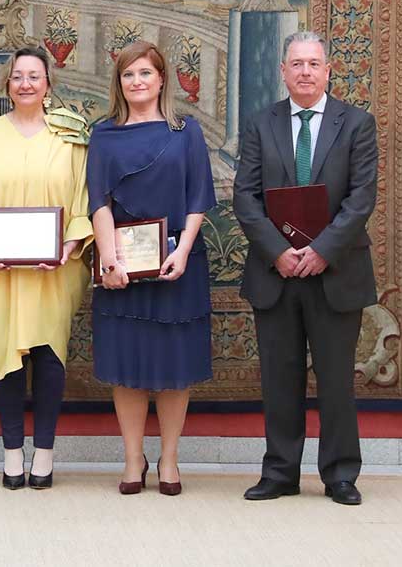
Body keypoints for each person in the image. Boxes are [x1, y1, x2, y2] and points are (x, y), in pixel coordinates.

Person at [233, 31, 377, 506]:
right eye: (296, 64)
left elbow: (361, 200)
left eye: (314, 64)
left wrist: (322, 251)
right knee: (280, 378)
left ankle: (339, 474)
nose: (305, 72)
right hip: (276, 273)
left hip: (336, 273)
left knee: (336, 380)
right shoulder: (260, 123)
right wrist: (279, 252)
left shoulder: (357, 123)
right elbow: (245, 197)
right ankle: (279, 472)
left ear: (328, 69)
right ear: (283, 71)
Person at [0, 47, 92, 489]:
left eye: (35, 76)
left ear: (49, 82)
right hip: (4, 273)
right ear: (7, 84)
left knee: (50, 361)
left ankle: (45, 455)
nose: (26, 84)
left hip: (56, 273)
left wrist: (70, 243)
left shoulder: (70, 138)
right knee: (7, 362)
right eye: (18, 77)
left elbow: (85, 203)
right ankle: (12, 453)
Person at [86, 40, 216, 497]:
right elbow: (97, 202)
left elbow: (200, 196)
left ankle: (170, 459)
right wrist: (109, 258)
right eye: (129, 75)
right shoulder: (102, 134)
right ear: (118, 83)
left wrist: (183, 251)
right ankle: (132, 458)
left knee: (175, 366)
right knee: (128, 365)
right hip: (122, 267)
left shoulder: (187, 132)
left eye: (145, 73)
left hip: (178, 263)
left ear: (162, 79)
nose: (137, 81)